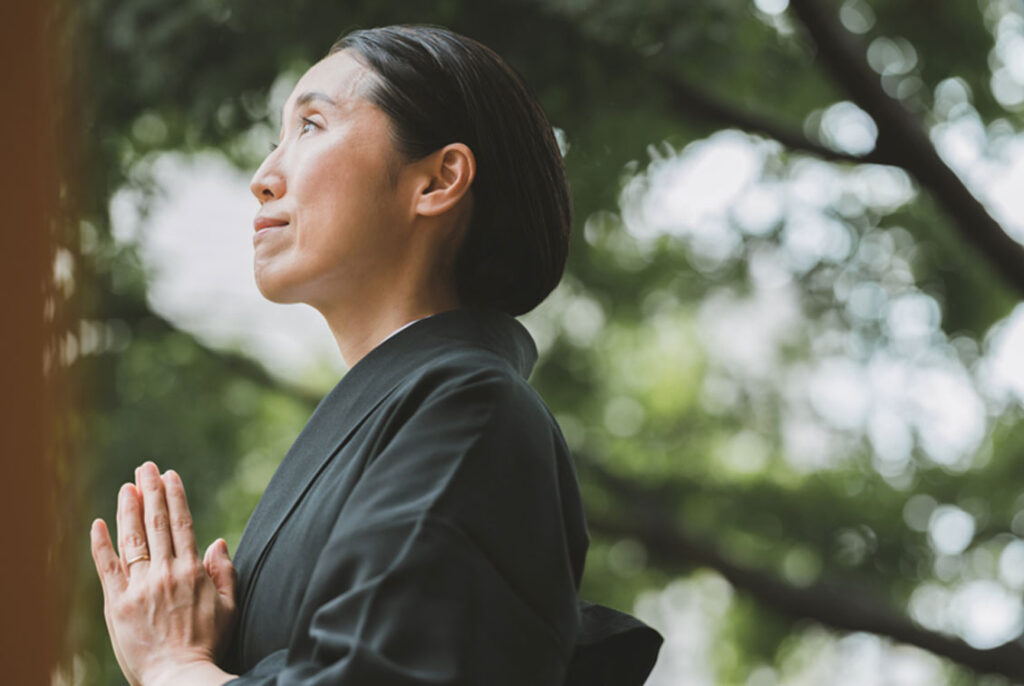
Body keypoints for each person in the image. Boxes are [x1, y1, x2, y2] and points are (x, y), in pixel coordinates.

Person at [90, 24, 663, 685]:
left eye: (310, 126)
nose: (264, 177)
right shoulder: (421, 411)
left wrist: (172, 665)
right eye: (278, 137)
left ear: (437, 180)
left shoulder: (471, 408)